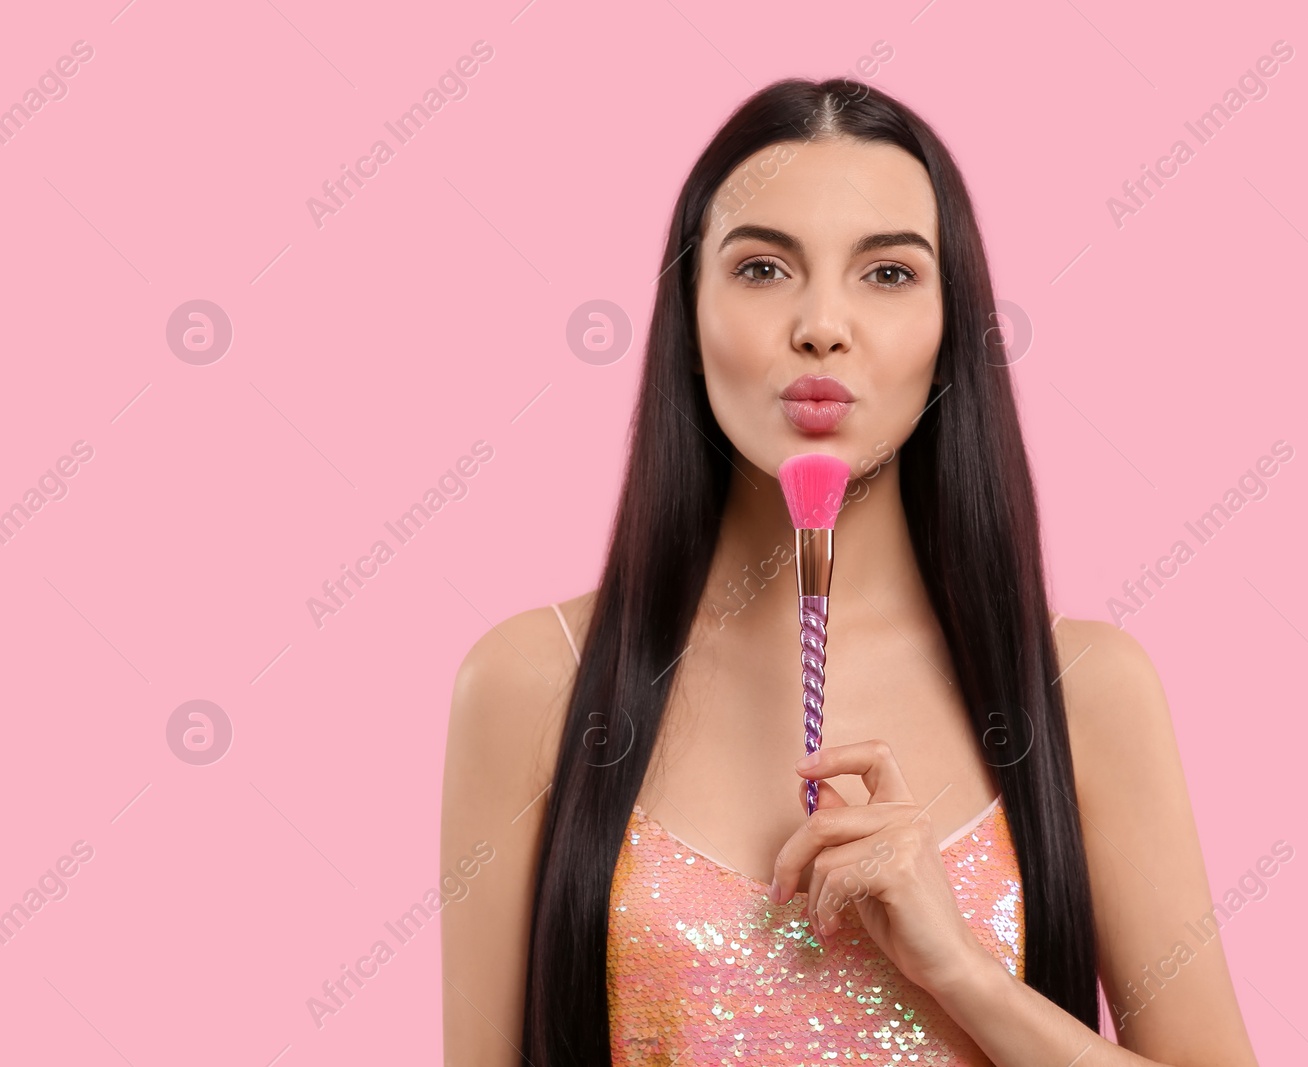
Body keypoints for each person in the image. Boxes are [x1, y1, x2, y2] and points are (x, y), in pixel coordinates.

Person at [441, 76, 1259, 1066]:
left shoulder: (1084, 691)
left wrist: (956, 966)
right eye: (761, 268)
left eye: (886, 273)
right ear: (686, 329)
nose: (822, 323)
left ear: (949, 331)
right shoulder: (536, 681)